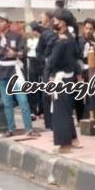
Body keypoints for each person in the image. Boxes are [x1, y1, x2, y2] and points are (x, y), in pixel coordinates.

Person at [0, 12, 36, 137]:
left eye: (1, 21)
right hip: (1, 72)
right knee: (7, 103)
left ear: (8, 23)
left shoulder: (16, 36)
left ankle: (28, 128)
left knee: (23, 100)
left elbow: (24, 51)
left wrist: (15, 54)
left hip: (14, 70)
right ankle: (11, 128)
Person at [47, 9, 80, 153]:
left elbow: (52, 60)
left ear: (62, 23)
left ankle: (65, 145)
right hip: (68, 77)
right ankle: (73, 139)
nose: (53, 22)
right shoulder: (70, 37)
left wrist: (49, 74)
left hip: (61, 78)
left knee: (61, 112)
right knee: (66, 110)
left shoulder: (62, 40)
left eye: (55, 20)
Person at [36, 11, 58, 129]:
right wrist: (44, 61)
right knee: (47, 95)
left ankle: (59, 120)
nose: (41, 19)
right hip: (48, 68)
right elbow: (38, 51)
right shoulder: (44, 34)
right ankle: (49, 122)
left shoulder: (61, 33)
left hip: (61, 67)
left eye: (42, 17)